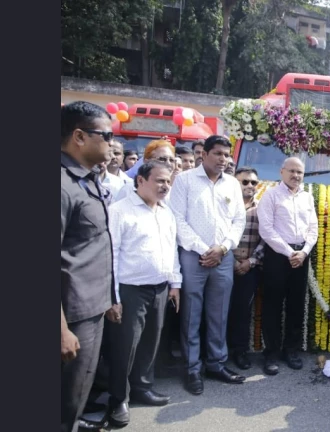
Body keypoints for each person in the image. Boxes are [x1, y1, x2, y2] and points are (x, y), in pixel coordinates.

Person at [105, 161, 182, 427]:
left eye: (168, 181)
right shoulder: (119, 211)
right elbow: (111, 257)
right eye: (159, 181)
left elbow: (171, 250)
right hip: (130, 290)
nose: (165, 186)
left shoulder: (166, 212)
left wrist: (175, 283)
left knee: (151, 342)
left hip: (160, 287)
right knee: (126, 346)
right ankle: (118, 399)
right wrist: (113, 297)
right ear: (140, 181)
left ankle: (142, 387)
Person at [168, 135, 247, 395]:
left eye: (227, 155)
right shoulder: (185, 180)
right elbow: (177, 219)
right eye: (218, 154)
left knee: (219, 313)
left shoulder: (233, 185)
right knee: (191, 315)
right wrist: (205, 250)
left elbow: (238, 220)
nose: (224, 159)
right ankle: (192, 368)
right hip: (193, 256)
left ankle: (216, 363)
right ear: (204, 155)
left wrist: (223, 248)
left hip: (223, 257)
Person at [61, 101, 118, 432]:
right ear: (79, 136)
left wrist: (109, 299)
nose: (111, 142)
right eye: (106, 135)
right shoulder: (62, 184)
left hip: (92, 306)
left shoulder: (86, 179)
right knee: (64, 395)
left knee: (76, 392)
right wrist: (61, 329)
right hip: (71, 314)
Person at [257, 157, 318, 375]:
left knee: (296, 305)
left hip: (301, 256)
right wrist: (289, 252)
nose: (296, 176)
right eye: (291, 171)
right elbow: (266, 230)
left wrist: (303, 251)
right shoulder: (270, 196)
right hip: (277, 256)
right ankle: (271, 353)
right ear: (282, 171)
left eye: (300, 172)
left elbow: (313, 229)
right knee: (273, 305)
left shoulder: (307, 198)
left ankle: (290, 350)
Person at [229, 167, 263, 370]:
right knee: (219, 310)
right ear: (235, 183)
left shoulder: (262, 209)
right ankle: (216, 352)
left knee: (243, 311)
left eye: (253, 183)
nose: (250, 186)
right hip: (224, 265)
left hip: (250, 267)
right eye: (245, 182)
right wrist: (230, 261)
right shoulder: (226, 206)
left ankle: (240, 351)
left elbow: (266, 239)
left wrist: (250, 261)